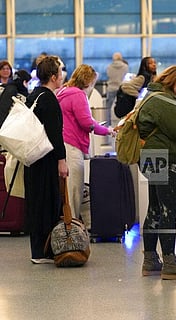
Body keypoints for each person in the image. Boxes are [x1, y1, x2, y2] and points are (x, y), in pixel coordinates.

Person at [136, 65, 176, 279]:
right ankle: (169, 261)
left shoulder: (152, 95)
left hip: (154, 157)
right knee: (169, 210)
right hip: (168, 159)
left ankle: (150, 260)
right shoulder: (165, 101)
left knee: (155, 209)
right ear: (174, 82)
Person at [56, 64, 114, 228]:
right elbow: (86, 123)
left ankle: (70, 223)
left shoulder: (63, 92)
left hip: (63, 143)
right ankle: (73, 227)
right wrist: (107, 131)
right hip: (73, 145)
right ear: (88, 82)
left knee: (67, 189)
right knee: (75, 190)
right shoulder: (78, 95)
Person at [24, 55, 69, 264]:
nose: (62, 76)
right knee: (48, 202)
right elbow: (55, 133)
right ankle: (46, 250)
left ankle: (37, 251)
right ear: (53, 76)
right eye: (60, 73)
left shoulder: (34, 95)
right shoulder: (49, 99)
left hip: (32, 158)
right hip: (46, 160)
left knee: (36, 203)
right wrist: (62, 159)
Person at [106, 52, 129, 124]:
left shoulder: (109, 67)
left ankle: (108, 123)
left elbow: (109, 76)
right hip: (121, 89)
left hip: (111, 88)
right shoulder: (125, 67)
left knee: (109, 108)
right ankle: (122, 123)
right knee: (123, 107)